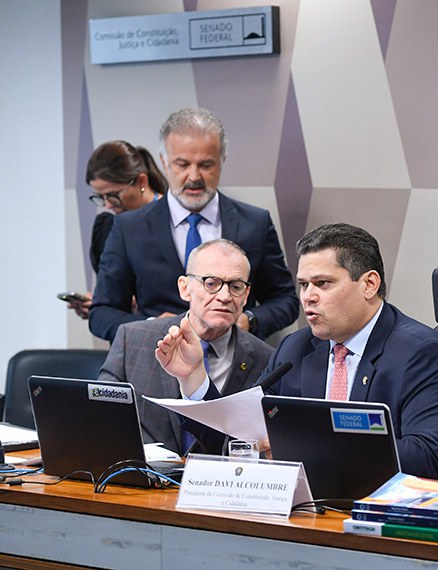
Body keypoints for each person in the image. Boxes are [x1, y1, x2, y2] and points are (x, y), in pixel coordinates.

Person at [156, 223, 438, 484]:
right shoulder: (296, 348)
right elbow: (237, 440)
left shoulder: (422, 353)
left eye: (322, 283)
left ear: (369, 284)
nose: (308, 297)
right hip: (313, 512)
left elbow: (424, 458)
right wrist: (194, 378)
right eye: (303, 285)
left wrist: (306, 444)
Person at [89, 107, 299, 342]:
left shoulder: (255, 223)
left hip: (236, 369)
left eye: (206, 165)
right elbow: (101, 314)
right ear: (164, 162)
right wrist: (152, 327)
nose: (194, 176)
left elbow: (285, 300)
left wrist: (247, 321)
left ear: (222, 162)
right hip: (156, 366)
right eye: (182, 164)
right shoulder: (128, 228)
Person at [99, 239, 274, 454]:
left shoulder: (266, 359)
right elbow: (102, 415)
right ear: (184, 288)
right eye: (211, 283)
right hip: (143, 480)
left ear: (246, 295)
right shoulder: (133, 339)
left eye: (236, 286)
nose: (225, 296)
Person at [66, 141, 168, 320]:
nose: (107, 204)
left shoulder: (179, 222)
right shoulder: (108, 228)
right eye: (100, 197)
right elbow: (112, 297)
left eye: (113, 195)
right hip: (131, 340)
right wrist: (99, 304)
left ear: (141, 182)